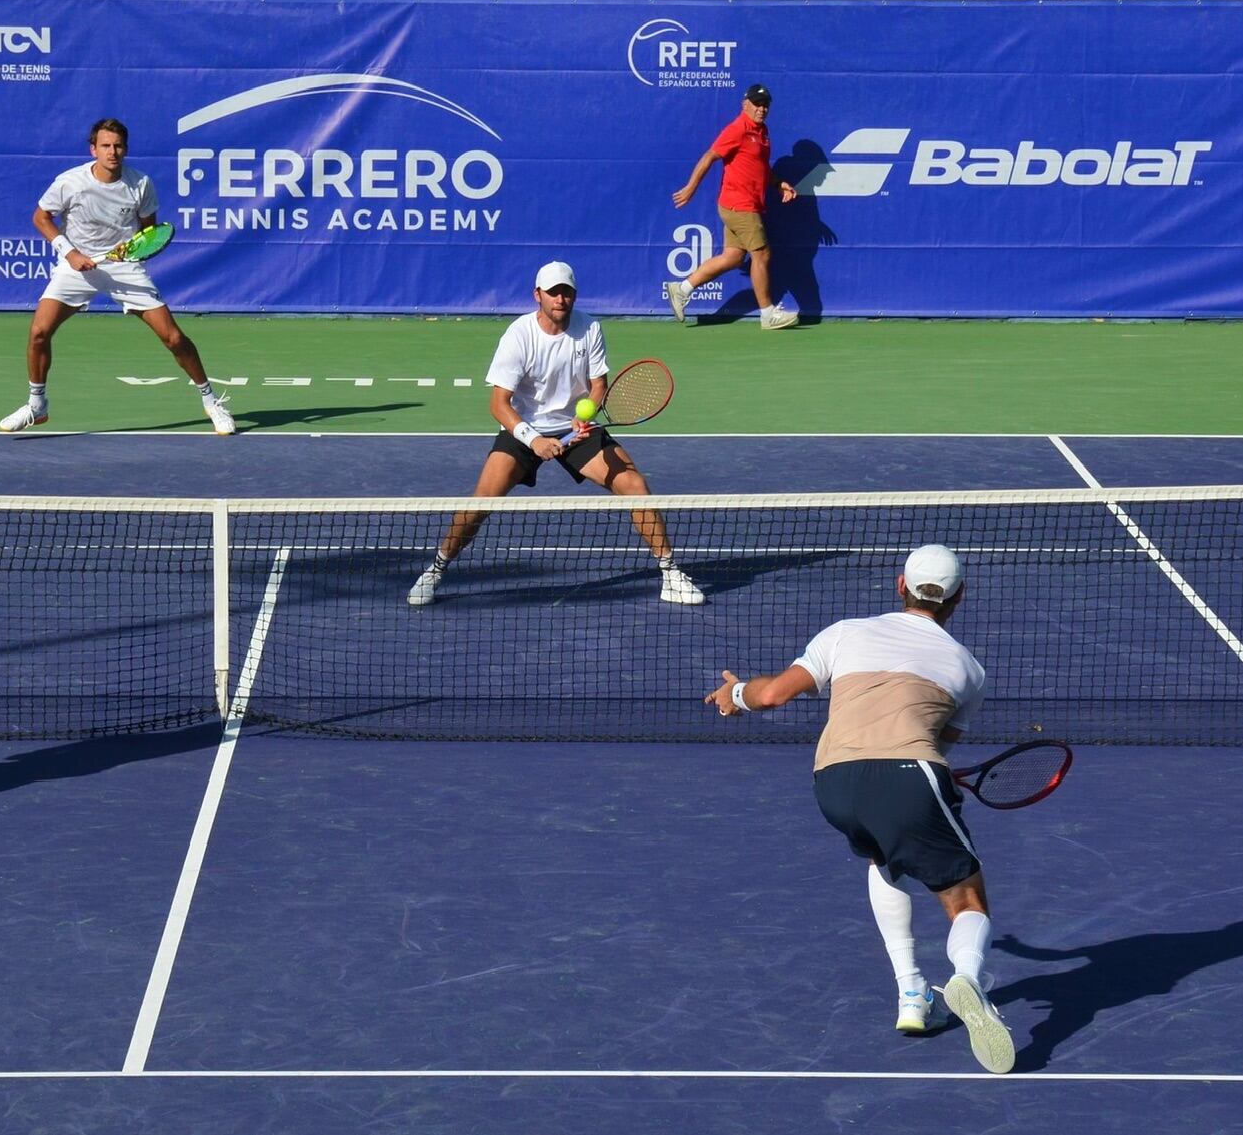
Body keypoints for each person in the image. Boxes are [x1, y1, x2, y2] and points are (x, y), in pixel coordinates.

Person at [704, 544, 1015, 1075]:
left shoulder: (845, 632)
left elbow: (775, 695)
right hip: (912, 777)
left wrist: (736, 691)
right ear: (958, 598)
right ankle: (965, 977)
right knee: (967, 899)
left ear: (901, 586)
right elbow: (937, 745)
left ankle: (912, 994)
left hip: (835, 785)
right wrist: (922, 778)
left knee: (884, 859)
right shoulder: (969, 670)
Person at [407, 261, 704, 608]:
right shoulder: (519, 335)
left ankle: (670, 574)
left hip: (575, 428)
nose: (560, 299)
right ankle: (436, 569)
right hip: (524, 428)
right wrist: (533, 439)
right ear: (538, 296)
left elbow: (598, 386)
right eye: (553, 292)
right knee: (479, 504)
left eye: (567, 292)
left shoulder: (589, 328)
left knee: (634, 486)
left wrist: (585, 418)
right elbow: (499, 404)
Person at [0, 118, 235, 436]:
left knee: (174, 338)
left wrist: (134, 247)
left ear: (126, 148)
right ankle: (37, 404)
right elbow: (41, 217)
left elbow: (150, 232)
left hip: (124, 268)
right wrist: (70, 252)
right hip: (76, 266)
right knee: (39, 332)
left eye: (118, 146)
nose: (113, 152)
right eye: (106, 146)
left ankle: (211, 402)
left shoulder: (140, 184)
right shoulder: (70, 182)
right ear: (93, 149)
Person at [668, 83, 799, 331]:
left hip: (744, 204)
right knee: (762, 255)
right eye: (757, 104)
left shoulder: (762, 132)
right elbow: (709, 157)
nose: (762, 109)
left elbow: (759, 168)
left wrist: (778, 183)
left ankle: (681, 289)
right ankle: (768, 314)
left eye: (765, 105)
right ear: (745, 104)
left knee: (733, 257)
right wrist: (690, 188)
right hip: (740, 205)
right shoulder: (737, 129)